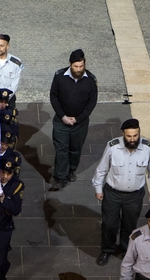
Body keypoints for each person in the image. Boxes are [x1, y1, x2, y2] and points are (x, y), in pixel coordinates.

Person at [92, 119, 150, 266]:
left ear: (139, 133)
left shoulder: (147, 148)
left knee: (129, 225)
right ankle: (107, 249)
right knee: (109, 224)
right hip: (112, 193)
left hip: (134, 195)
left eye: (135, 135)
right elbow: (102, 169)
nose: (132, 139)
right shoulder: (113, 147)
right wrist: (98, 188)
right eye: (129, 136)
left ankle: (126, 250)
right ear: (123, 134)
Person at [48, 49, 98, 191]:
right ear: (70, 64)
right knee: (61, 150)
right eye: (76, 67)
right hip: (61, 121)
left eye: (81, 66)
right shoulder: (59, 76)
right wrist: (63, 116)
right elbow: (53, 96)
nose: (78, 69)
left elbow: (92, 102)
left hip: (80, 124)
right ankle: (60, 176)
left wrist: (78, 119)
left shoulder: (91, 80)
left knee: (75, 149)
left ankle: (71, 169)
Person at [0, 34, 23, 109]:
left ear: (7, 47)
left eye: (1, 46)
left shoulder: (16, 63)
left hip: (8, 100)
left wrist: (4, 100)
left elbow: (15, 84)